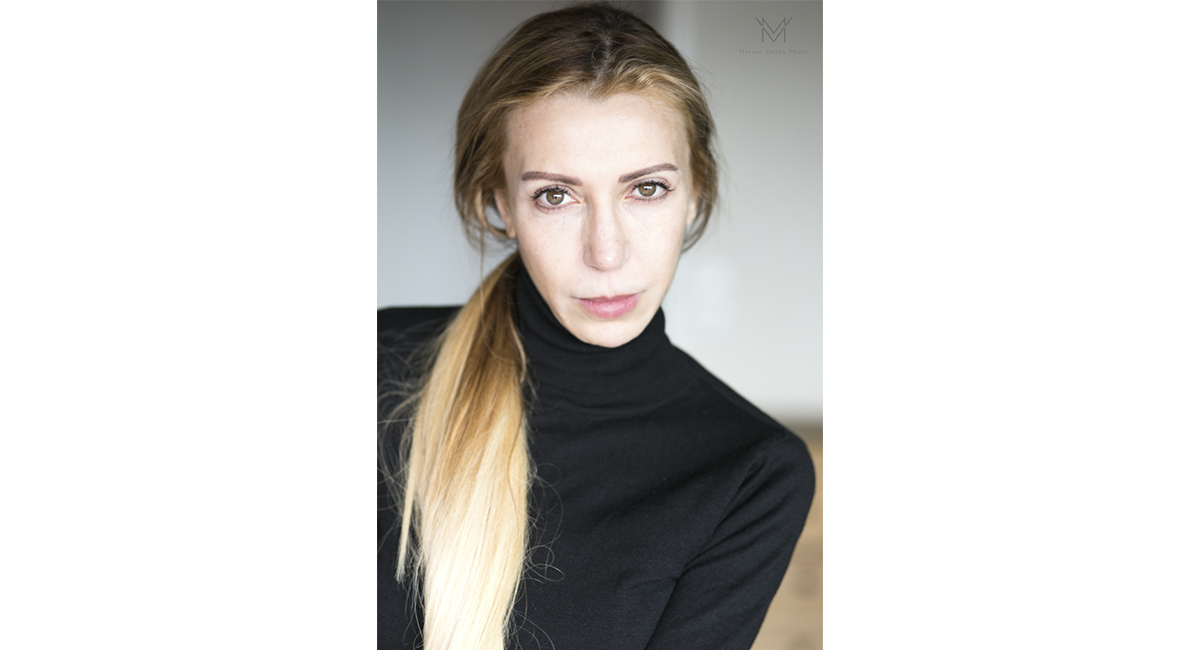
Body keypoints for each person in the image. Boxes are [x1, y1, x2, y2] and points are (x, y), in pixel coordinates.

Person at [378, 3, 815, 649]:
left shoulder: (751, 471)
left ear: (695, 193)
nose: (606, 253)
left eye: (647, 189)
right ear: (500, 204)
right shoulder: (378, 363)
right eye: (555, 195)